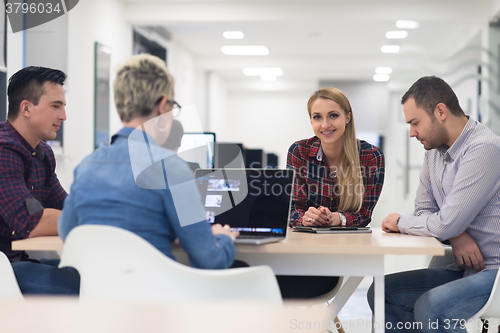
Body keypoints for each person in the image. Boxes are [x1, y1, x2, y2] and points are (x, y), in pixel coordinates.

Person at [58, 54, 238, 270]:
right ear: (163, 106)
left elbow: (68, 233)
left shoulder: (86, 167)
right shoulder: (172, 168)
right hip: (159, 299)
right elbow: (209, 260)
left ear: (119, 108)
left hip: (97, 297)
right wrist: (223, 238)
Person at [367, 76, 500, 333]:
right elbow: (426, 211)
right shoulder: (434, 153)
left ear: (440, 111)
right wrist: (456, 233)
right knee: (382, 292)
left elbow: (444, 222)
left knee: (434, 306)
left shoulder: (484, 148)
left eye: (415, 123)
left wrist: (400, 221)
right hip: (463, 267)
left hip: (494, 271)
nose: (411, 133)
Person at [278, 87, 385, 298]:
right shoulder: (299, 152)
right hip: (300, 253)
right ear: (311, 121)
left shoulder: (371, 156)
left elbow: (364, 216)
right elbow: (292, 211)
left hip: (343, 253)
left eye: (333, 115)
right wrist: (308, 218)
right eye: (317, 117)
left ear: (347, 117)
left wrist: (336, 218)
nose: (325, 124)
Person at [0, 66, 80, 294]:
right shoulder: (4, 150)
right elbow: (31, 222)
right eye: (56, 106)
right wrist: (92, 217)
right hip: (3, 269)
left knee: (95, 274)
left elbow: (67, 206)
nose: (63, 116)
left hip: (17, 262)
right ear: (26, 108)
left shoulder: (41, 153)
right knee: (86, 287)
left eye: (63, 106)